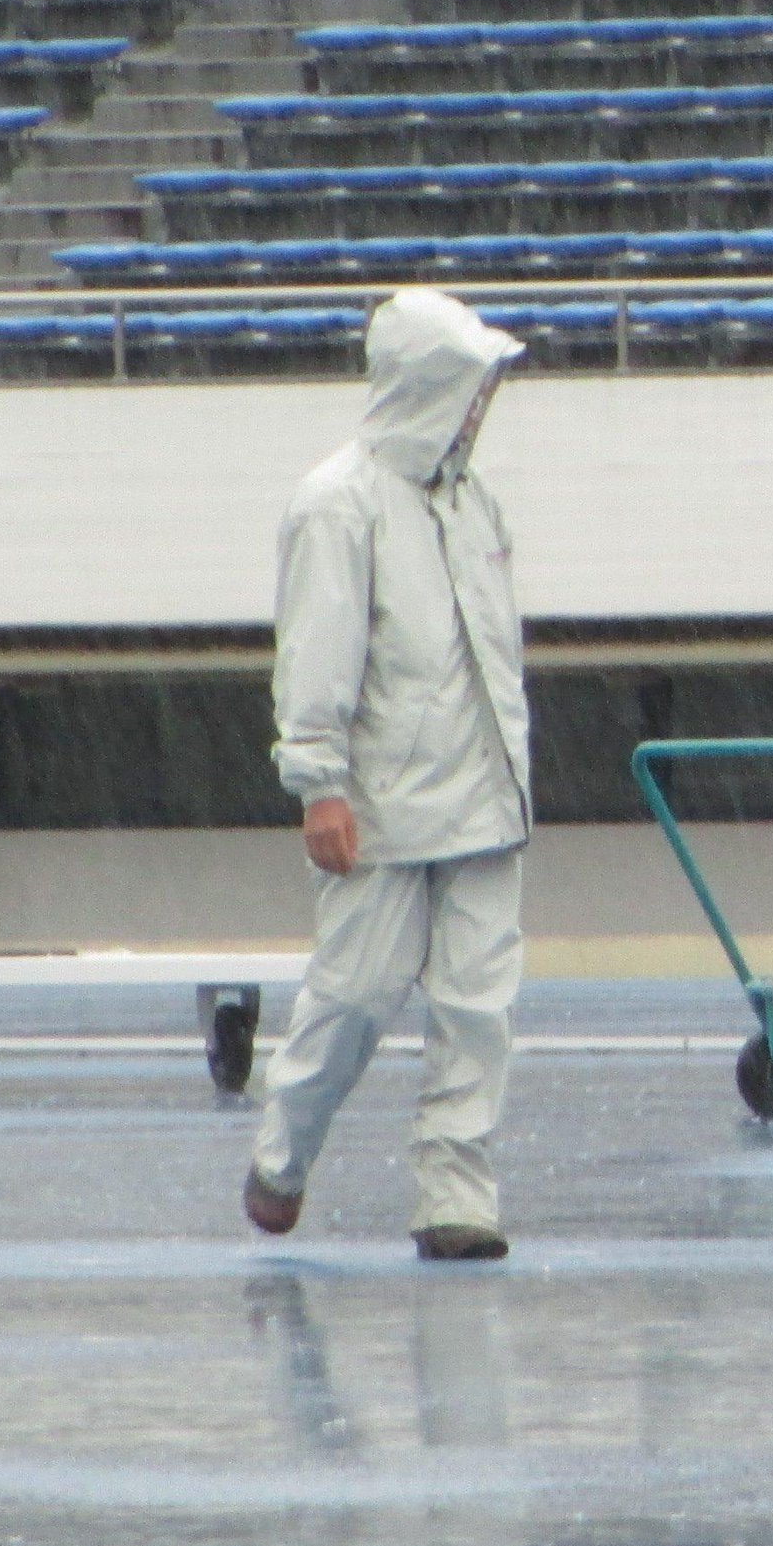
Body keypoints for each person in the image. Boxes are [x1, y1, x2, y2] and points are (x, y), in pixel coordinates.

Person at [241, 288, 533, 1260]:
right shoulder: (339, 505)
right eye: (473, 383)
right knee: (354, 998)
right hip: (382, 810)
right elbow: (316, 659)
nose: (485, 403)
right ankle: (282, 1158)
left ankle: (458, 1197)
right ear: (429, 387)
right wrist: (318, 784)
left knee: (477, 1011)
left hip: (487, 804)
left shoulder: (471, 501)